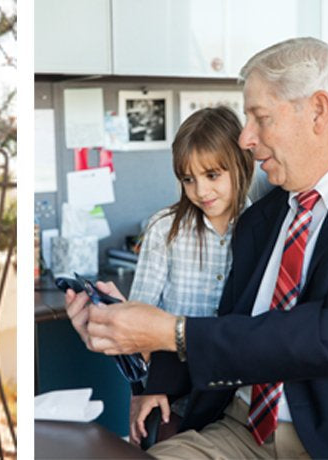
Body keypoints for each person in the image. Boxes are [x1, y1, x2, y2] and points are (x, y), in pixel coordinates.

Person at [70, 37, 328, 458]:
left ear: (318, 111)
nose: (246, 138)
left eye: (260, 117)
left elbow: (323, 335)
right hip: (238, 427)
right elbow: (228, 325)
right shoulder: (260, 221)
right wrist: (117, 328)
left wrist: (171, 331)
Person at [107, 106, 254, 444]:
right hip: (173, 392)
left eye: (212, 175)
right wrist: (143, 390)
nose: (201, 191)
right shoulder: (164, 228)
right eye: (189, 179)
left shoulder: (262, 227)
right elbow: (139, 324)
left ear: (241, 163)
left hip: (237, 397)